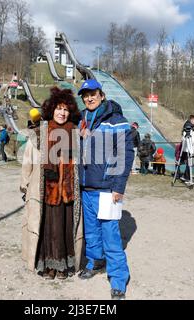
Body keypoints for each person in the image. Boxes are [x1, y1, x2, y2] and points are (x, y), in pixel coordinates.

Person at [77, 79, 134, 300]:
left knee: (110, 234)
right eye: (85, 95)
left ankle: (119, 279)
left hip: (108, 189)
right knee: (91, 232)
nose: (89, 98)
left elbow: (126, 155)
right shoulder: (82, 120)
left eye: (93, 94)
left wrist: (119, 187)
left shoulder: (117, 121)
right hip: (86, 186)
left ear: (101, 95)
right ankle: (95, 262)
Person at [20, 87, 84, 281]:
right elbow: (27, 161)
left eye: (65, 109)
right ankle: (47, 265)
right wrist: (24, 185)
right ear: (51, 110)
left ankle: (64, 265)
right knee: (47, 229)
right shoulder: (39, 133)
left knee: (65, 228)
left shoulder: (76, 134)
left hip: (68, 192)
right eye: (58, 108)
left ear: (70, 111)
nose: (62, 113)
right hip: (44, 191)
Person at [180, 115, 194, 182]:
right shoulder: (188, 127)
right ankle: (187, 177)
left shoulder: (189, 126)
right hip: (189, 148)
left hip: (189, 148)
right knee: (189, 163)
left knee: (189, 163)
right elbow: (190, 139)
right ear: (192, 120)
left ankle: (185, 176)